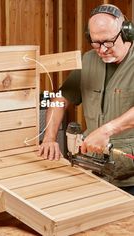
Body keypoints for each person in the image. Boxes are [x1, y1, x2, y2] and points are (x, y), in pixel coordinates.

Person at [38, 4, 134, 194]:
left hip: (130, 176)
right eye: (95, 43)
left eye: (108, 42)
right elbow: (60, 98)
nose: (102, 50)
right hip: (94, 170)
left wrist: (107, 131)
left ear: (126, 32)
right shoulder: (89, 60)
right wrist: (49, 138)